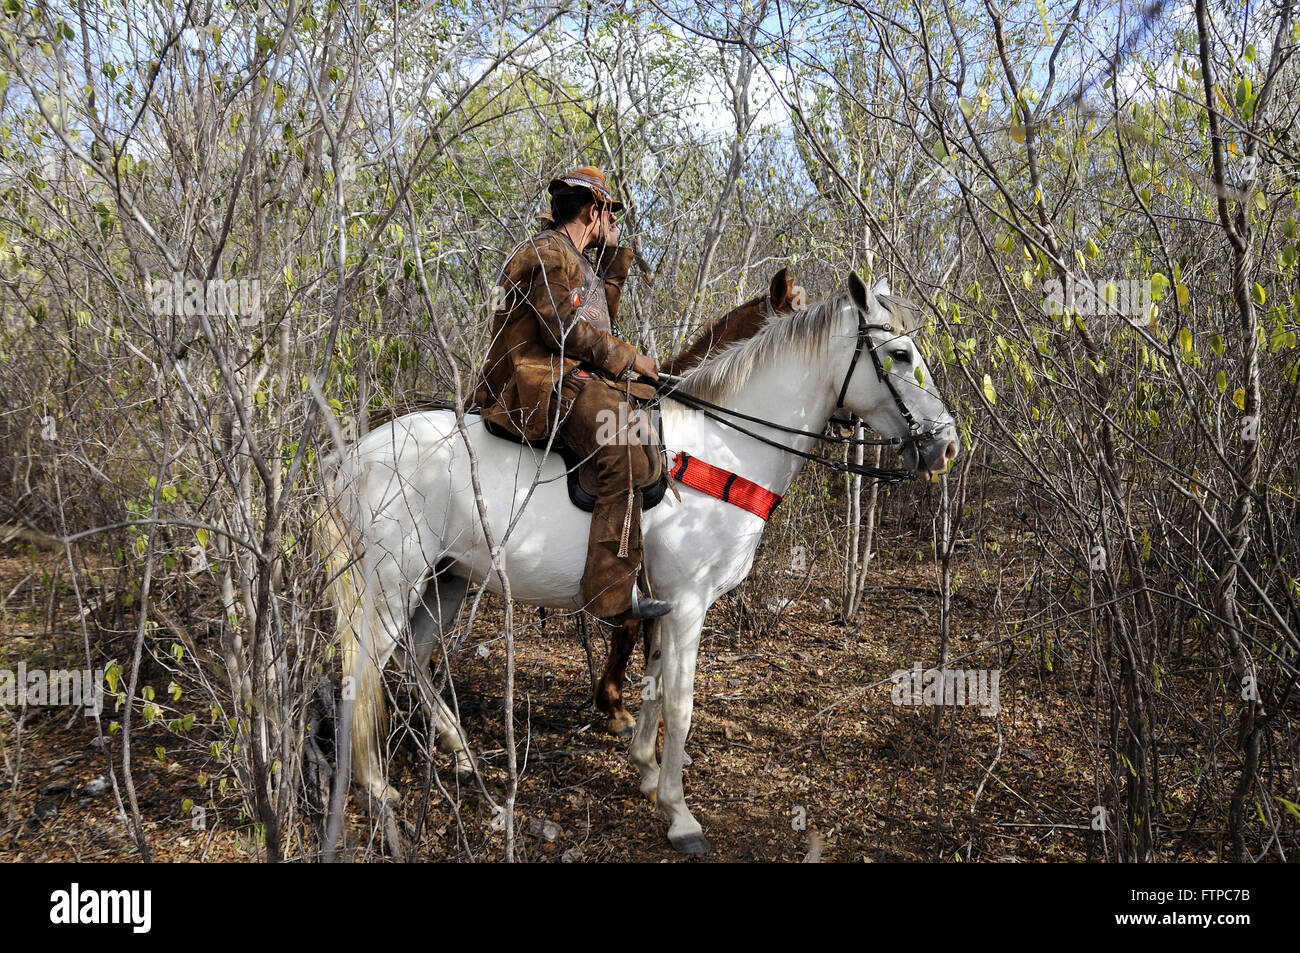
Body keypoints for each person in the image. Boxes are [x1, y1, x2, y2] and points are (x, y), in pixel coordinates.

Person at [474, 166, 672, 625]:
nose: (615, 225)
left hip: (575, 376)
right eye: (611, 215)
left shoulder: (580, 259)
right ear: (593, 210)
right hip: (541, 379)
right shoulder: (548, 252)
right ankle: (610, 595)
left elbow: (594, 322)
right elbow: (561, 329)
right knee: (625, 448)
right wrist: (631, 357)